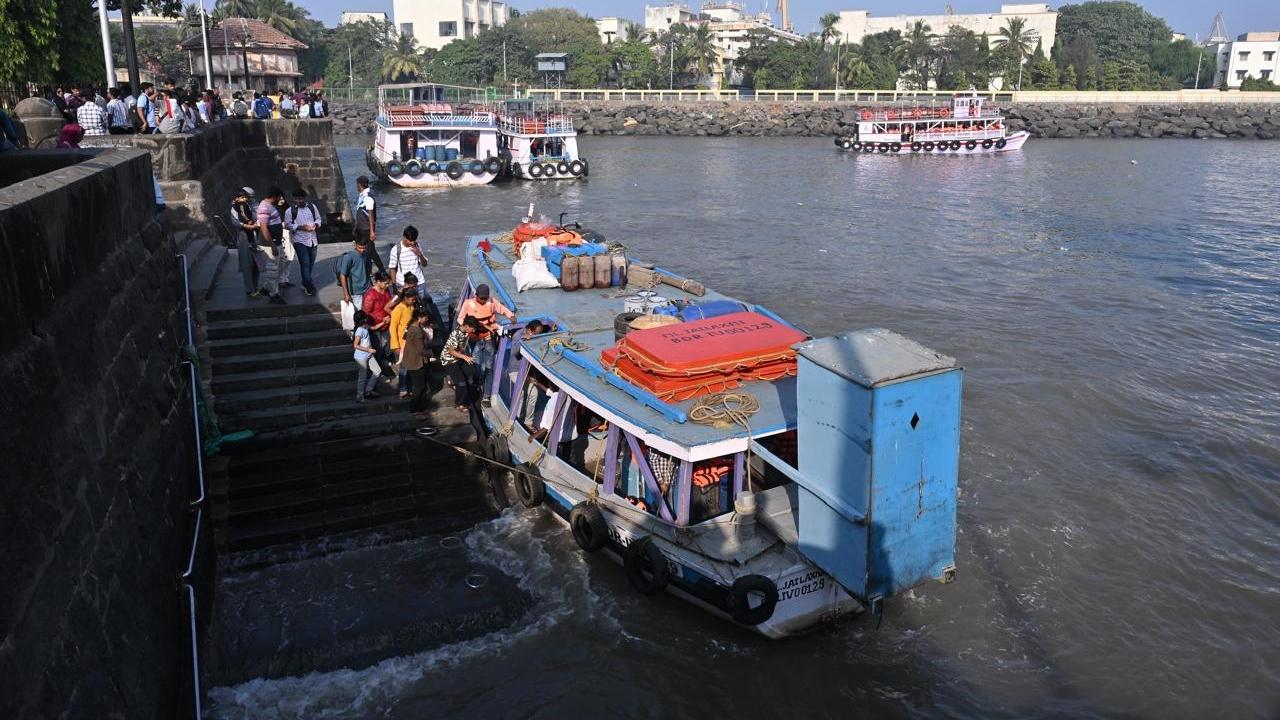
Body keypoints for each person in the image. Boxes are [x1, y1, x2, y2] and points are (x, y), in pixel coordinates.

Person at [283, 188, 322, 296]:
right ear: (293, 199)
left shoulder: (312, 207)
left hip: (313, 240)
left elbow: (318, 219)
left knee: (311, 263)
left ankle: (305, 282)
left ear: (304, 198)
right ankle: (309, 286)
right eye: (296, 199)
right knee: (305, 263)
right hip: (299, 241)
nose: (298, 201)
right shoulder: (290, 211)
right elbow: (287, 225)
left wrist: (316, 225)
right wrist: (301, 227)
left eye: (300, 199)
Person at [441, 316, 484, 411]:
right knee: (461, 384)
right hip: (449, 360)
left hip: (458, 358)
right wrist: (465, 357)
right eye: (472, 329)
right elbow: (451, 351)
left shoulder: (466, 333)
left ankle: (453, 379)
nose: (473, 331)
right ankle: (459, 404)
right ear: (467, 326)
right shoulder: (455, 334)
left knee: (472, 370)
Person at [400, 307, 435, 418]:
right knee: (419, 387)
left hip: (412, 361)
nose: (427, 319)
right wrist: (431, 354)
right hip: (416, 362)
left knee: (420, 386)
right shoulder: (417, 330)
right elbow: (421, 350)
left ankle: (420, 409)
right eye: (425, 317)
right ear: (419, 318)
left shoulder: (412, 327)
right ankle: (415, 410)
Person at [255, 186, 287, 304]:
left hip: (276, 242)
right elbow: (264, 228)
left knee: (282, 263)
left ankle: (266, 287)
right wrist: (272, 245)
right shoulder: (264, 207)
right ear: (274, 196)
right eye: (279, 196)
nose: (280, 199)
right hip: (269, 244)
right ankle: (273, 294)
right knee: (273, 270)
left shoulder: (270, 206)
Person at [336, 236, 375, 331]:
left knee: (369, 312)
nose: (362, 250)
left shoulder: (366, 254)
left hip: (368, 288)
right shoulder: (348, 257)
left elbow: (367, 271)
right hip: (356, 292)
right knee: (358, 316)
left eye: (364, 247)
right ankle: (357, 334)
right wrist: (346, 293)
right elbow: (342, 275)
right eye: (360, 247)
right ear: (355, 245)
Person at [230, 187, 261, 297]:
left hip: (255, 236)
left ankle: (256, 286)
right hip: (244, 237)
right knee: (247, 264)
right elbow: (235, 221)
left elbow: (258, 217)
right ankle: (250, 289)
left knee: (257, 264)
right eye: (248, 197)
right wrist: (247, 225)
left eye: (250, 197)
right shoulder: (235, 208)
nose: (250, 199)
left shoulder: (251, 205)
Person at [389, 286, 418, 398]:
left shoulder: (411, 308)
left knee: (410, 367)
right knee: (404, 368)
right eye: (412, 299)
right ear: (406, 298)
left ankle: (409, 387)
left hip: (411, 343)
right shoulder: (398, 309)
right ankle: (403, 388)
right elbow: (393, 328)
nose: (413, 301)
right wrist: (396, 346)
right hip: (401, 344)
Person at [363, 271, 394, 374]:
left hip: (387, 323)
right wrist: (380, 321)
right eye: (385, 283)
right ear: (378, 282)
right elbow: (366, 313)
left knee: (387, 346)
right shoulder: (371, 294)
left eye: (388, 283)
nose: (387, 285)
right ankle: (381, 371)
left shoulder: (386, 291)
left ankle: (387, 362)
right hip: (375, 326)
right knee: (378, 348)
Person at [352, 311, 381, 402]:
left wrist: (384, 322)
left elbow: (374, 327)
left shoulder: (365, 326)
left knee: (377, 371)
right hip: (361, 357)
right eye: (365, 317)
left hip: (368, 355)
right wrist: (368, 350)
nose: (367, 318)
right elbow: (355, 345)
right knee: (362, 377)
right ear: (363, 319)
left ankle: (368, 390)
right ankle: (359, 397)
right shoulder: (360, 330)